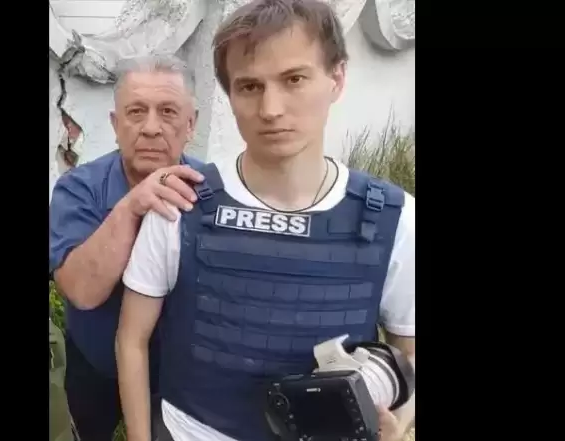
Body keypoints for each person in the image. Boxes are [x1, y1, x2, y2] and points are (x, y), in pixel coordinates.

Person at [116, 1, 415, 441]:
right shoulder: (181, 202)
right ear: (230, 95)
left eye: (294, 79)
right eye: (250, 86)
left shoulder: (396, 219)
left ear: (337, 78)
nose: (271, 109)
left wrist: (397, 425)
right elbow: (131, 340)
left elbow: (409, 355)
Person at [49, 54, 205, 441]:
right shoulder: (79, 190)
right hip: (94, 363)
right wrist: (133, 206)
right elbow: (81, 291)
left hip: (176, 374)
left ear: (191, 125)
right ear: (115, 124)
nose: (151, 128)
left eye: (168, 112)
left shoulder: (209, 193)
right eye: (136, 112)